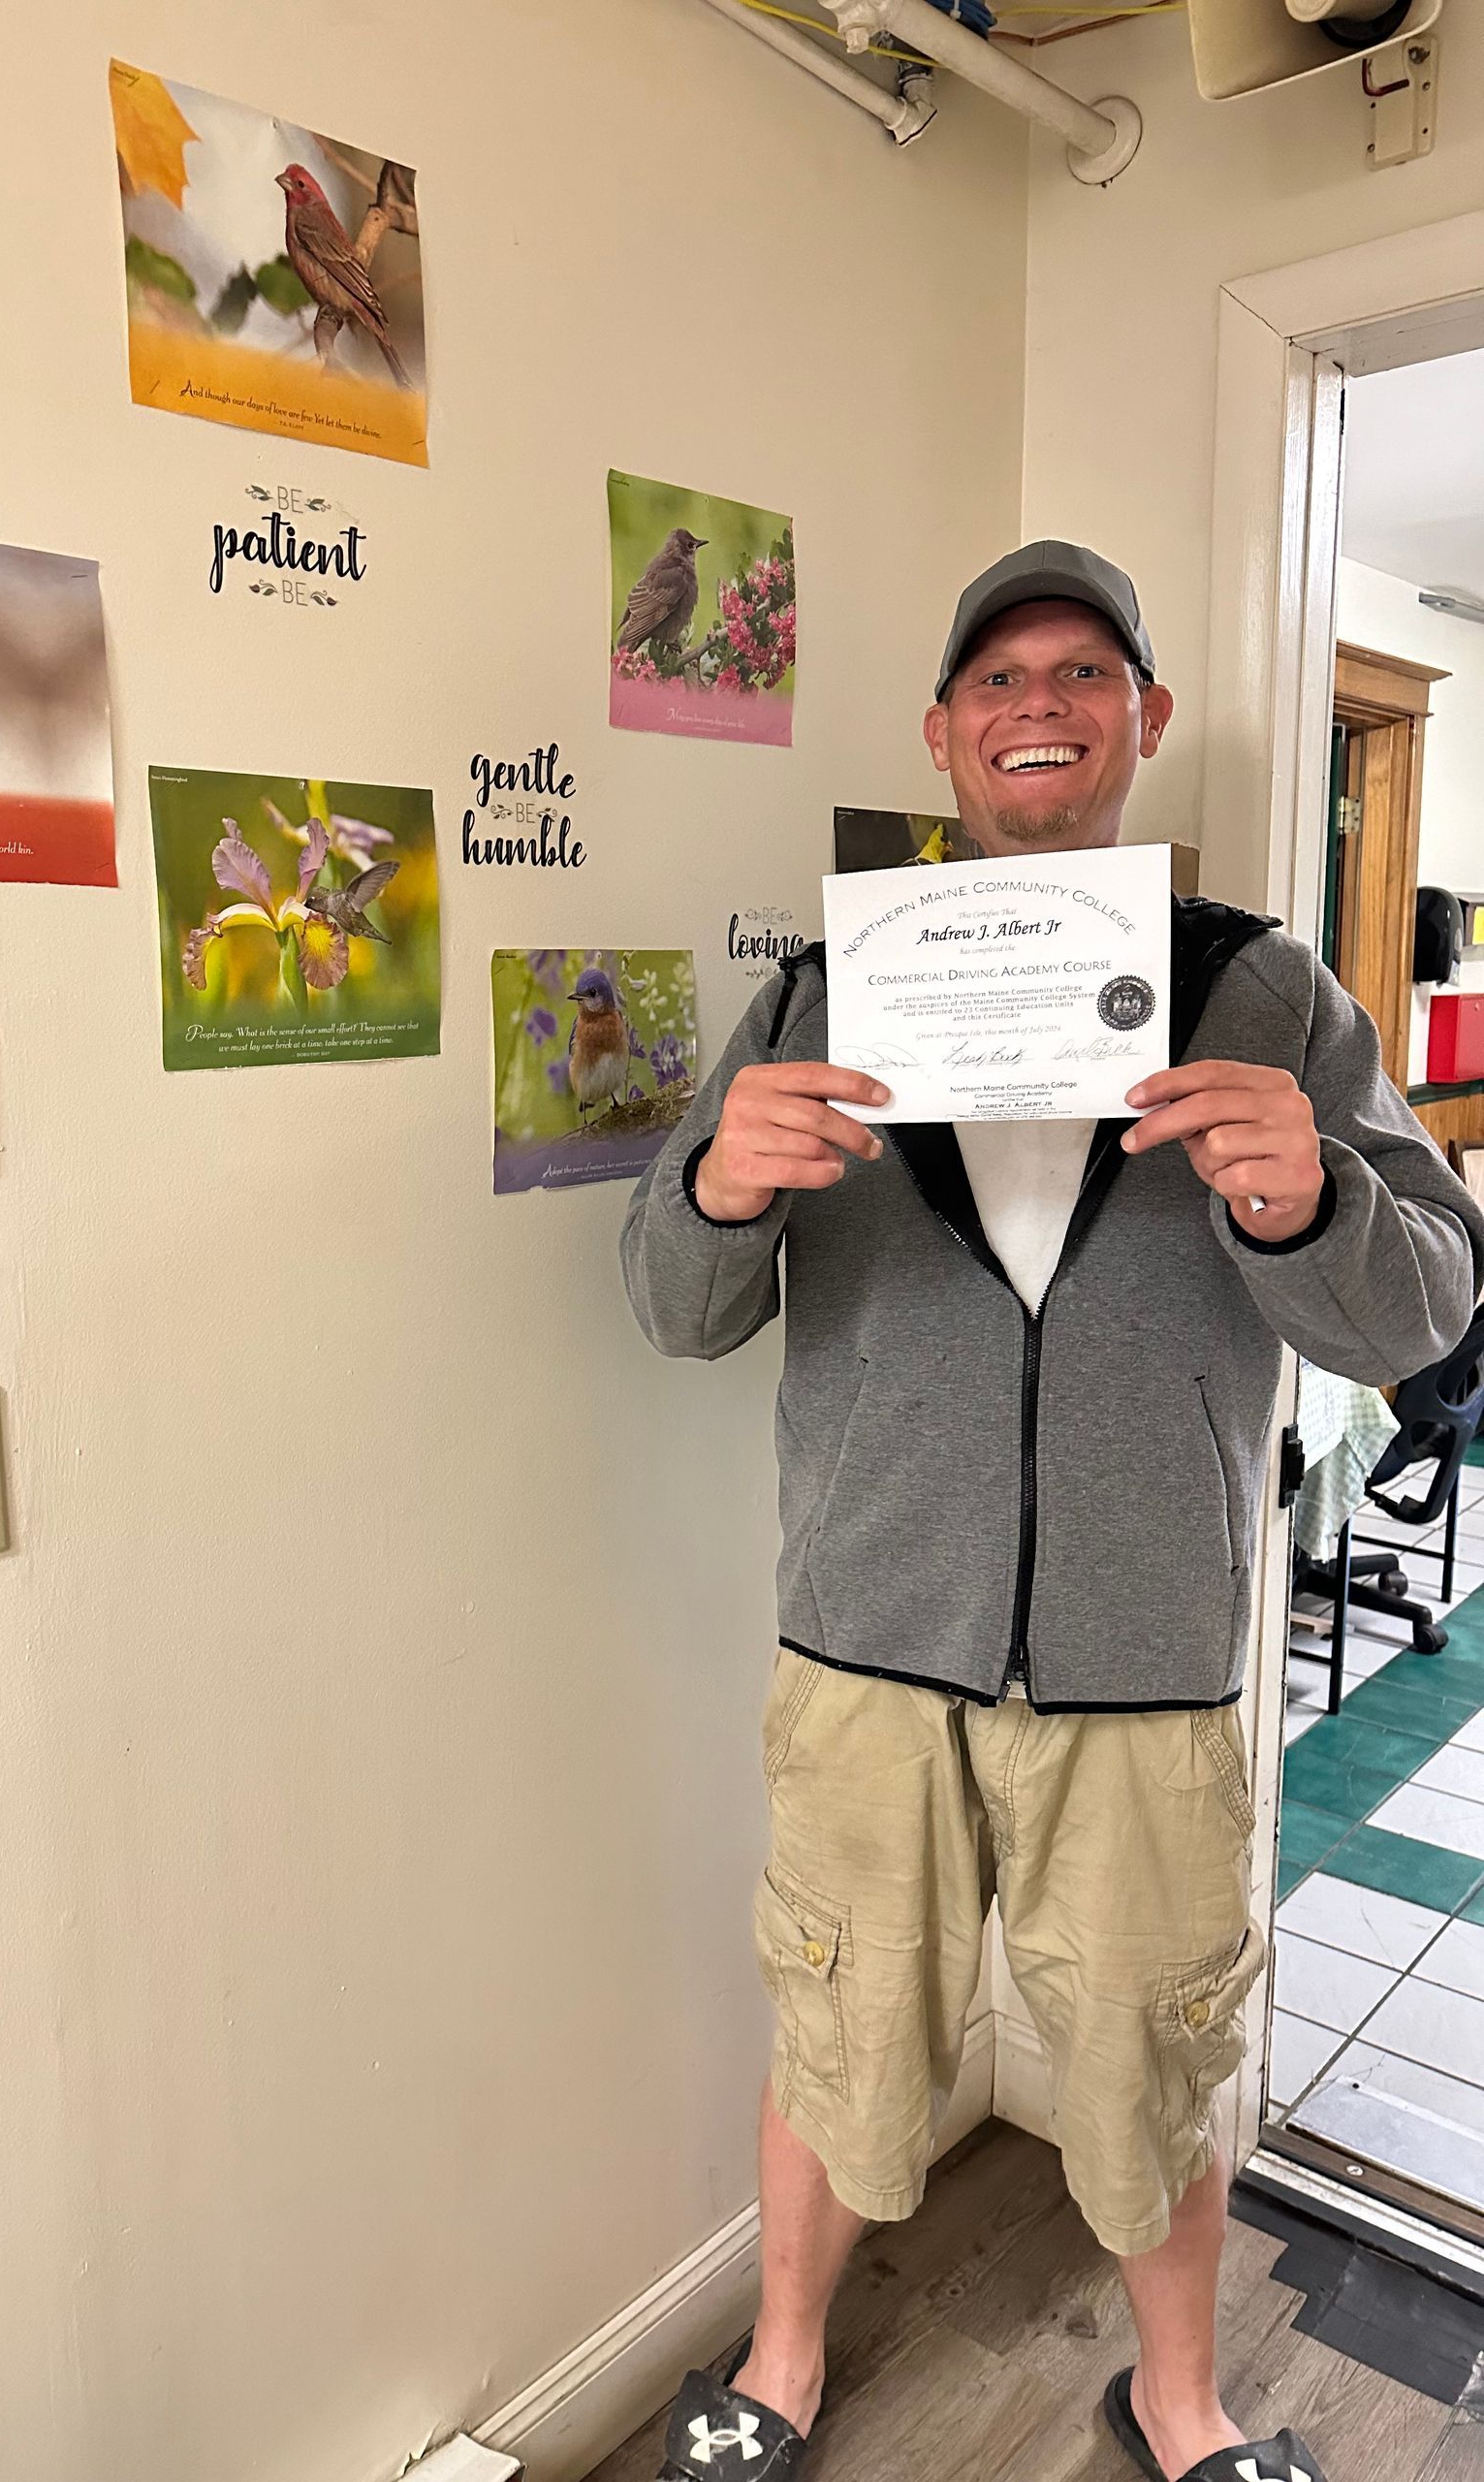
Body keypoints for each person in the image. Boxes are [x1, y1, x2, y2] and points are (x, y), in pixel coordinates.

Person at [620, 541, 1484, 2482]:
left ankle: (1177, 2400)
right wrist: (721, 1192)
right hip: (867, 1646)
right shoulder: (820, 992)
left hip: (1148, 1653)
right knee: (837, 2023)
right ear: (941, 730)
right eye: (998, 674)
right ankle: (783, 2365)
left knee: (1152, 2063)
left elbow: (1433, 1291)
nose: (1039, 702)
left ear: (1143, 722)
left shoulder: (1265, 988)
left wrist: (1304, 1197)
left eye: (1085, 672)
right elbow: (671, 1306)